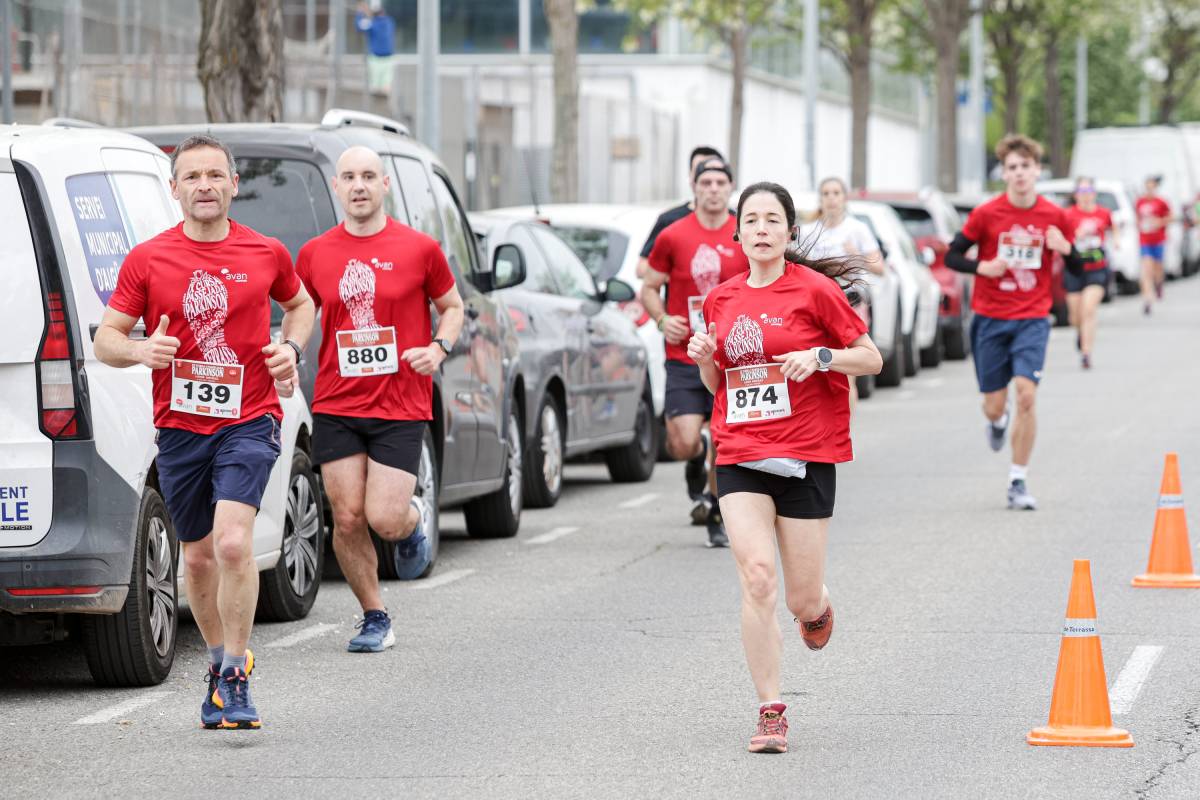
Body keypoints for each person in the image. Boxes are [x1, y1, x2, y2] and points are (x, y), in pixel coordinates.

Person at [95, 135, 315, 730]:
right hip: (181, 425)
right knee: (196, 559)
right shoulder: (148, 259)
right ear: (175, 189)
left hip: (250, 416)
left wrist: (289, 348)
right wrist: (143, 348)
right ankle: (218, 666)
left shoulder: (265, 251)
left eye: (215, 175)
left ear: (234, 184)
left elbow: (301, 305)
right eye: (192, 177)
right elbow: (105, 339)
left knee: (234, 543)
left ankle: (237, 675)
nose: (205, 186)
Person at [687, 182, 882, 754]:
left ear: (790, 233)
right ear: (739, 232)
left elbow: (870, 357)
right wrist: (705, 361)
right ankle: (770, 710)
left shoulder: (817, 292)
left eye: (774, 219)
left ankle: (816, 605)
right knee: (756, 577)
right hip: (742, 449)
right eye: (753, 219)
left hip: (806, 453)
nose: (763, 228)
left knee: (798, 598)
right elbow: (719, 385)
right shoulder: (720, 299)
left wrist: (820, 356)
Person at [297, 146, 464, 652]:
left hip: (399, 404)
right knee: (345, 517)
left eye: (368, 176)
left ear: (385, 184)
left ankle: (413, 521)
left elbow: (452, 306)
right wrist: (288, 352)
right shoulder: (316, 253)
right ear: (337, 187)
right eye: (349, 177)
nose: (359, 185)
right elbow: (299, 312)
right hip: (337, 403)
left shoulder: (419, 249)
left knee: (384, 519)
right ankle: (375, 616)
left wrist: (439, 348)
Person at [944, 134, 1084, 510]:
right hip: (990, 318)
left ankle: (1017, 479)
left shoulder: (1055, 217)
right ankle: (996, 419)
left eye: (1026, 166)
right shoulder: (987, 214)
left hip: (1032, 318)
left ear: (1037, 170)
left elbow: (1078, 268)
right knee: (994, 404)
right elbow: (952, 257)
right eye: (1012, 167)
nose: (1019, 173)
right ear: (1003, 174)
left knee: (1027, 394)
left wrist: (1066, 249)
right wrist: (982, 266)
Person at [642, 157, 748, 547]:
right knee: (682, 442)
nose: (714, 189)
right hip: (684, 353)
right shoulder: (673, 235)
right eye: (707, 182)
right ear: (695, 188)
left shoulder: (744, 232)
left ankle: (717, 511)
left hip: (734, 355)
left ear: (731, 187)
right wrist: (660, 319)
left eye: (722, 182)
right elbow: (649, 287)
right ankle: (698, 451)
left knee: (725, 437)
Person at [798, 177, 886, 409]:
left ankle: (844, 432)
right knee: (819, 371)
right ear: (820, 198)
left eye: (836, 193)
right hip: (815, 306)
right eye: (826, 193)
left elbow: (880, 268)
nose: (831, 198)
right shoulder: (809, 231)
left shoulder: (857, 229)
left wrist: (856, 254)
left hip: (850, 302)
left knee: (847, 374)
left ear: (844, 198)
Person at [635, 146, 727, 280]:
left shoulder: (736, 221)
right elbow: (641, 268)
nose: (712, 185)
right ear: (691, 177)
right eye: (700, 170)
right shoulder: (669, 219)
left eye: (713, 171)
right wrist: (681, 274)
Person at [1062, 176, 1113, 369]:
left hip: (1097, 267)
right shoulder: (1068, 215)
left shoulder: (1104, 213)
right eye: (1081, 192)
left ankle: (1086, 353)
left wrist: (1114, 241)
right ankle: (1080, 332)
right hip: (1075, 268)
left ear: (1094, 194)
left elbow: (1112, 229)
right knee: (1075, 316)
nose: (1085, 196)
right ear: (1076, 195)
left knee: (1088, 309)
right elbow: (1063, 240)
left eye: (1088, 191)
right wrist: (1077, 235)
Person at [1134, 175, 1171, 316]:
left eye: (1152, 187)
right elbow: (1137, 218)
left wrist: (1159, 222)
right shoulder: (1140, 202)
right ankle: (1147, 300)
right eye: (1147, 187)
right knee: (1146, 269)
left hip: (1158, 239)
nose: (1149, 189)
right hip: (1145, 240)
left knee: (1157, 268)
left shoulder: (1161, 202)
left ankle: (1159, 284)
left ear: (1155, 188)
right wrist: (1139, 225)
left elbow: (1170, 216)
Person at [356, 0, 396, 93]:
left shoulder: (372, 23)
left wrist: (360, 13)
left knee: (376, 88)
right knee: (385, 88)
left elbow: (359, 26)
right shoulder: (389, 21)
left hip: (377, 59)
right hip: (387, 58)